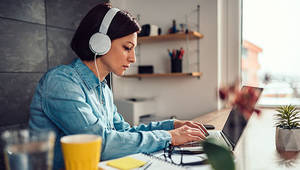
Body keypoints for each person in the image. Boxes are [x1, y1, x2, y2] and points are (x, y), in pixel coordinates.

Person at [29, 3, 207, 170]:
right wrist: (170, 137)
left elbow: (124, 132)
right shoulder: (61, 82)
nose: (133, 58)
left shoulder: (103, 89)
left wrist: (171, 125)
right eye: (127, 48)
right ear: (100, 43)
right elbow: (101, 144)